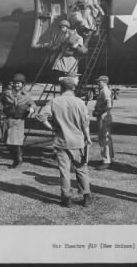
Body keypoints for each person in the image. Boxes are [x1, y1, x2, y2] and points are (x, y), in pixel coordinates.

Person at [39, 76, 92, 208]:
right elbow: (85, 123)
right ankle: (86, 197)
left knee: (64, 171)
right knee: (81, 169)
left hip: (61, 141)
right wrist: (88, 137)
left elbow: (40, 116)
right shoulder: (80, 103)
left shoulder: (54, 101)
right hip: (78, 141)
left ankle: (66, 198)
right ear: (74, 87)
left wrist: (52, 128)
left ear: (61, 88)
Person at [0, 73, 36, 168]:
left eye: (19, 83)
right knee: (7, 142)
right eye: (15, 83)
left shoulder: (26, 95)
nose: (17, 85)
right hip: (7, 120)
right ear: (13, 83)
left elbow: (32, 104)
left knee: (15, 142)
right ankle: (17, 158)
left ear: (22, 84)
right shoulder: (6, 93)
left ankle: (17, 160)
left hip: (18, 121)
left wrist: (32, 108)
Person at [93, 75, 114, 170]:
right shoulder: (103, 90)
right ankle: (109, 158)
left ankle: (106, 161)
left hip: (104, 116)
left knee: (103, 138)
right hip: (104, 116)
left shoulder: (105, 91)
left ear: (104, 82)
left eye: (99, 81)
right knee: (106, 137)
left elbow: (109, 105)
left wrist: (98, 112)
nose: (97, 83)